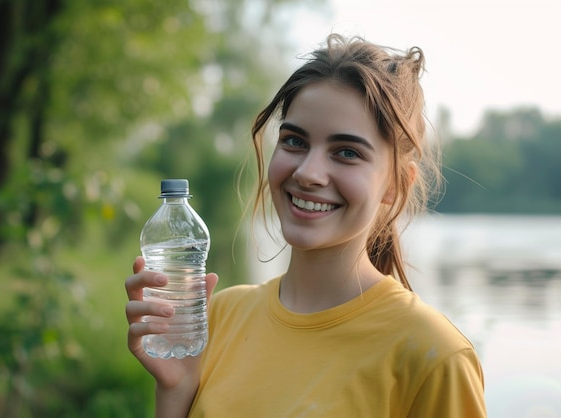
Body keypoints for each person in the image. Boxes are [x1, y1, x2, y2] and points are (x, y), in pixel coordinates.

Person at [125, 33, 486, 417]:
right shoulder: (218, 317)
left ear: (395, 185)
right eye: (294, 141)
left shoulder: (433, 356)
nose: (308, 172)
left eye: (346, 152)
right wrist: (176, 388)